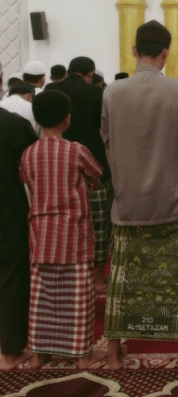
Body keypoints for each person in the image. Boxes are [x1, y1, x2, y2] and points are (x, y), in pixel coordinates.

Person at [101, 20, 178, 370]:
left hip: (127, 203)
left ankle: (115, 355)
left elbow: (107, 140)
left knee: (122, 281)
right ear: (166, 52)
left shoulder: (112, 92)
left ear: (134, 50)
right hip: (173, 203)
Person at [20, 90, 105, 369]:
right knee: (78, 299)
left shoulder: (28, 154)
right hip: (74, 237)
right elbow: (97, 176)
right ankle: (83, 356)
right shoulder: (76, 150)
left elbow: (28, 185)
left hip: (41, 236)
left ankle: (39, 354)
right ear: (67, 119)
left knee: (43, 299)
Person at [45, 57, 112, 290]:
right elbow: (105, 129)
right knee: (98, 224)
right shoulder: (95, 93)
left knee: (60, 222)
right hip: (92, 164)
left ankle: (65, 278)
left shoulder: (52, 89)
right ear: (90, 74)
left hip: (56, 165)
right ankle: (97, 277)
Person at [0, 106, 38, 369]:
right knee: (12, 273)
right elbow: (34, 161)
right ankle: (11, 350)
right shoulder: (11, 124)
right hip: (6, 207)